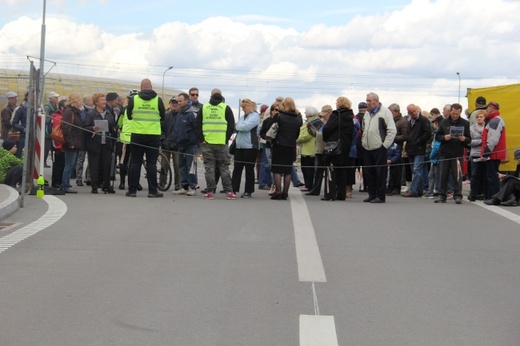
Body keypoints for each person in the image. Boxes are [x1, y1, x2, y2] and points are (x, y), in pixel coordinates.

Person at [126, 78, 166, 198]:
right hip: (153, 136)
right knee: (151, 164)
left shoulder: (134, 99)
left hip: (137, 135)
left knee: (135, 163)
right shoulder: (158, 100)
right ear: (151, 86)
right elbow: (163, 116)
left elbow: (129, 115)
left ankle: (132, 191)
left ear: (141, 87)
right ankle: (152, 191)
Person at [195, 88, 235, 199]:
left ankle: (210, 192)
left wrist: (202, 139)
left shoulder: (204, 107)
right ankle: (228, 192)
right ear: (221, 96)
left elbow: (197, 124)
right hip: (221, 143)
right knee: (224, 168)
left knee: (209, 168)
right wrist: (225, 138)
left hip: (207, 143)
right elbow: (231, 125)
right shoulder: (225, 108)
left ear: (210, 96)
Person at [361, 92, 397, 203]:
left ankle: (380, 196)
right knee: (369, 172)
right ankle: (371, 194)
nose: (367, 103)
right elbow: (364, 127)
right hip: (367, 147)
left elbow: (392, 130)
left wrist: (384, 145)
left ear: (376, 101)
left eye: (369, 100)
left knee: (380, 173)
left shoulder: (385, 112)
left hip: (379, 147)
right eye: (366, 100)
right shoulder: (367, 113)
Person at [264, 97, 302, 200]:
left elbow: (271, 128)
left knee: (276, 170)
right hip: (291, 146)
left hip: (279, 145)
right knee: (287, 171)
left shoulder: (279, 116)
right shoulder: (298, 118)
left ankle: (278, 191)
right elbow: (297, 134)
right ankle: (285, 193)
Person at [434, 103, 471, 204]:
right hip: (445, 152)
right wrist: (444, 137)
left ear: (460, 112)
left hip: (457, 153)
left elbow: (469, 139)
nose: (455, 115)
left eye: (457, 114)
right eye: (453, 113)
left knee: (457, 176)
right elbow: (437, 137)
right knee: (443, 175)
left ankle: (458, 195)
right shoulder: (444, 122)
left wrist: (464, 139)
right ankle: (442, 195)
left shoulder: (465, 123)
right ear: (450, 111)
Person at [321, 97, 354, 201]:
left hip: (334, 145)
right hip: (346, 146)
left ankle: (330, 194)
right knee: (342, 170)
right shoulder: (350, 116)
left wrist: (326, 138)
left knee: (331, 170)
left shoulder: (336, 115)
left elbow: (327, 128)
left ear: (339, 104)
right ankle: (341, 194)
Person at [84, 93, 118, 194]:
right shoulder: (91, 114)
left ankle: (106, 185)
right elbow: (85, 127)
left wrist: (115, 131)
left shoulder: (108, 113)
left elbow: (112, 127)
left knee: (107, 165)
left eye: (104, 100)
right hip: (95, 143)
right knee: (94, 165)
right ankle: (94, 186)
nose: (104, 102)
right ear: (96, 102)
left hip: (106, 143)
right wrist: (92, 128)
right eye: (102, 100)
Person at [231, 98, 261, 198]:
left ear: (249, 106)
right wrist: (239, 125)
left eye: (244, 107)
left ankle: (248, 191)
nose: (243, 109)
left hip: (250, 146)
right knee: (237, 169)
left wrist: (238, 126)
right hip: (239, 146)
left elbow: (245, 127)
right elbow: (236, 126)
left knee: (249, 169)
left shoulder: (255, 116)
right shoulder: (243, 117)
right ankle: (234, 189)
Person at [401, 104, 432, 197]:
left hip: (419, 149)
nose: (414, 113)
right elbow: (407, 134)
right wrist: (406, 148)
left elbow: (428, 134)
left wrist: (418, 141)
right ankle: (419, 189)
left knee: (417, 169)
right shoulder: (409, 121)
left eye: (415, 111)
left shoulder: (423, 120)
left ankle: (413, 190)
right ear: (408, 113)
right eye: (412, 112)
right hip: (410, 149)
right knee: (414, 170)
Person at [172, 92, 199, 196]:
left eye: (180, 101)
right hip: (180, 144)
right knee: (181, 166)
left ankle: (193, 187)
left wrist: (195, 142)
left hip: (190, 145)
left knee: (191, 167)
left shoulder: (193, 113)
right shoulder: (179, 113)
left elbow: (197, 129)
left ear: (186, 101)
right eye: (178, 101)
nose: (178, 103)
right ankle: (184, 186)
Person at [480, 101, 507, 200]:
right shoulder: (494, 120)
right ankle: (489, 196)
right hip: (493, 153)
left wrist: (486, 153)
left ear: (492, 108)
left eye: (487, 108)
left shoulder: (495, 121)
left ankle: (494, 197)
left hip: (493, 154)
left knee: (491, 177)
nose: (486, 110)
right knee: (490, 176)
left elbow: (492, 140)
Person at [305, 105, 331, 196]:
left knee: (328, 171)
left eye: (325, 114)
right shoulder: (321, 122)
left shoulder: (331, 123)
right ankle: (316, 189)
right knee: (318, 171)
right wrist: (310, 128)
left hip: (327, 149)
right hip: (318, 149)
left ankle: (329, 190)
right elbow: (315, 134)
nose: (323, 116)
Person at [61, 93, 85, 194]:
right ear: (74, 101)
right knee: (69, 165)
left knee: (71, 164)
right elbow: (65, 127)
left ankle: (66, 184)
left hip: (75, 142)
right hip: (71, 143)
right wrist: (70, 142)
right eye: (79, 100)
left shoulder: (75, 112)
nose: (81, 103)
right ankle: (65, 185)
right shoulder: (69, 112)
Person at [296, 106, 323, 191]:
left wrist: (297, 140)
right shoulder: (309, 121)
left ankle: (309, 186)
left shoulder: (315, 122)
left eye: (306, 113)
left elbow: (306, 135)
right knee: (305, 168)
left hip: (310, 150)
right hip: (305, 149)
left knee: (309, 169)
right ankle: (308, 185)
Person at [386, 103, 408, 195]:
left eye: (390, 112)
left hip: (397, 146)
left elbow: (405, 135)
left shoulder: (402, 122)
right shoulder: (390, 120)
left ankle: (396, 187)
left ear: (396, 112)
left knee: (396, 168)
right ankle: (390, 186)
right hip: (389, 146)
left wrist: (393, 138)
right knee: (389, 169)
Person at [161, 96, 181, 191]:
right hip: (166, 145)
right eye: (173, 102)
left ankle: (178, 185)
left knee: (178, 166)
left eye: (176, 103)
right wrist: (163, 139)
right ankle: (162, 183)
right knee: (164, 166)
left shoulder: (182, 116)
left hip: (177, 146)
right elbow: (161, 129)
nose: (174, 104)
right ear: (170, 104)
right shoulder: (165, 115)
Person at [468, 110, 486, 201]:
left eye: (481, 117)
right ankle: (473, 193)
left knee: (484, 174)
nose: (479, 118)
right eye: (478, 117)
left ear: (484, 118)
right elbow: (469, 142)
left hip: (485, 154)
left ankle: (482, 193)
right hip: (475, 154)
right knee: (474, 174)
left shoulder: (487, 127)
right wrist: (481, 141)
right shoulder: (471, 128)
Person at [76, 94, 93, 187]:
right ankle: (79, 178)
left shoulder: (95, 111)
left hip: (91, 138)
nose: (92, 102)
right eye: (90, 100)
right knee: (81, 159)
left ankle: (88, 177)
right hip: (82, 138)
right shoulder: (82, 112)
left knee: (90, 159)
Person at [50, 100, 66, 189]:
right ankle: (56, 181)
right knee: (58, 164)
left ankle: (58, 181)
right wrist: (59, 146)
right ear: (62, 108)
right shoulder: (58, 118)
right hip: (58, 145)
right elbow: (57, 133)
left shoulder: (58, 117)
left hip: (59, 145)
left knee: (60, 163)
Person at [43, 92, 60, 167]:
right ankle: (43, 162)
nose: (57, 99)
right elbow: (46, 119)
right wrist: (53, 118)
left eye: (57, 97)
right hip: (48, 131)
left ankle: (54, 161)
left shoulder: (55, 106)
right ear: (51, 98)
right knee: (46, 148)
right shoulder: (48, 107)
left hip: (53, 130)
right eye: (55, 97)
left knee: (54, 148)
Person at [11, 92, 29, 158]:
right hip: (24, 136)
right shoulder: (21, 109)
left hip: (34, 136)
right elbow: (14, 123)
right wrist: (23, 129)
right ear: (27, 97)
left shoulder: (37, 110)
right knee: (22, 156)